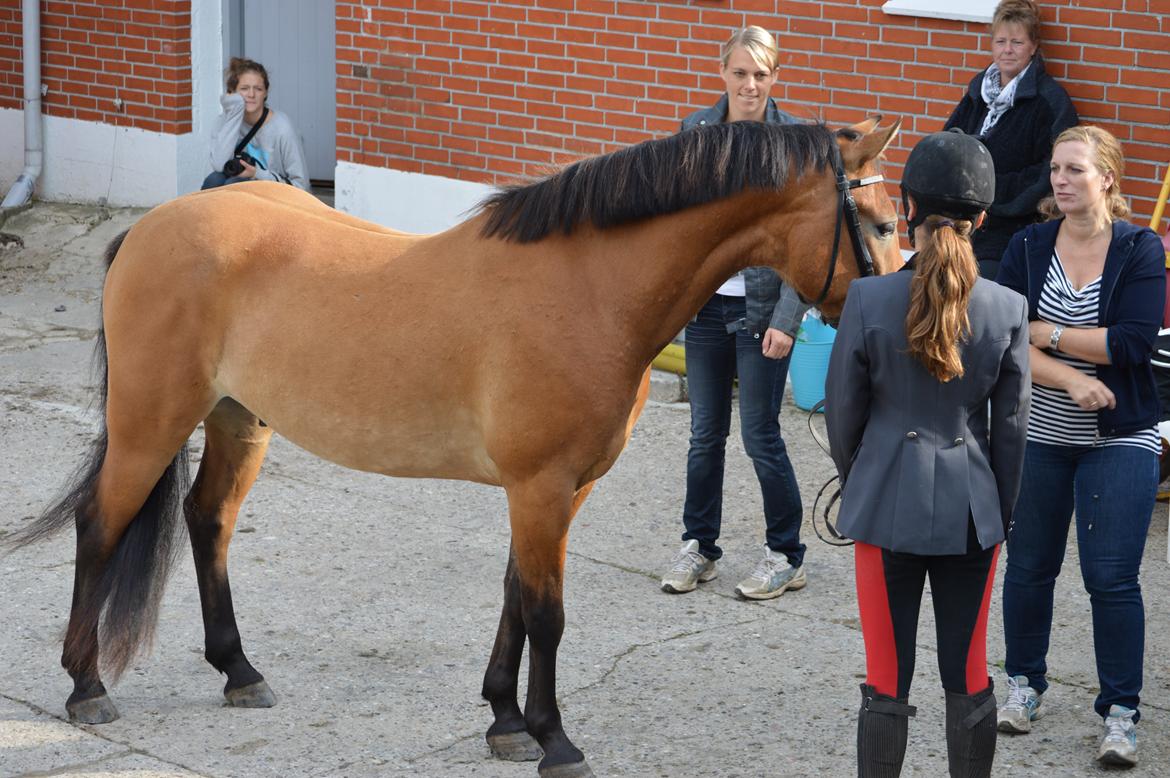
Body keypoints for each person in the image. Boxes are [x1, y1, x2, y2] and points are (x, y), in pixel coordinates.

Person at [825, 129, 1031, 777]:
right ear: (981, 219)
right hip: (974, 513)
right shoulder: (1007, 309)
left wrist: (862, 478)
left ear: (907, 209)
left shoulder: (868, 299)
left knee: (887, 676)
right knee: (967, 672)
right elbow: (1013, 431)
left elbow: (842, 417)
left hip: (883, 503)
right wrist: (1001, 510)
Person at [995, 126, 1165, 768]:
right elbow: (1007, 338)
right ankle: (1023, 685)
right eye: (1055, 168)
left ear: (1108, 180)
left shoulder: (1140, 248)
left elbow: (1130, 344)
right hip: (1039, 434)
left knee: (1112, 578)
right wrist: (1069, 375)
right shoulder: (1029, 245)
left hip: (1121, 438)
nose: (1059, 180)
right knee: (1030, 566)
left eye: (1074, 170)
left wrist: (1053, 334)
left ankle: (1120, 714)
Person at [658, 26, 811, 600]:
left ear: (776, 76)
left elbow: (807, 244)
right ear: (723, 73)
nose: (750, 85)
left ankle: (786, 554)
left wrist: (787, 320)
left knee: (761, 436)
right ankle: (700, 547)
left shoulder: (796, 140)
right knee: (704, 435)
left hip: (763, 314)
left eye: (761, 74)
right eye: (740, 73)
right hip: (706, 311)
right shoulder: (696, 132)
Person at [943, 0, 1077, 279]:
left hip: (1014, 229)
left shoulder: (1050, 102)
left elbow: (1051, 170)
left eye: (1017, 42)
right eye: (1000, 41)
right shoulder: (978, 92)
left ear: (1033, 46)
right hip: (964, 221)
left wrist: (996, 195)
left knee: (980, 288)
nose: (1007, 50)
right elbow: (948, 142)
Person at [202, 57, 309, 191]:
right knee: (214, 179)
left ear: (265, 93)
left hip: (275, 192)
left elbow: (302, 186)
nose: (251, 94)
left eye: (258, 89)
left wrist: (256, 173)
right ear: (233, 92)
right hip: (240, 189)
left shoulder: (282, 128)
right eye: (244, 88)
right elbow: (219, 166)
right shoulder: (224, 121)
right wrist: (234, 109)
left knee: (234, 183)